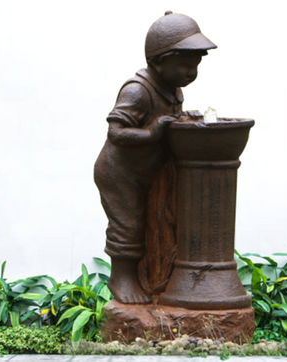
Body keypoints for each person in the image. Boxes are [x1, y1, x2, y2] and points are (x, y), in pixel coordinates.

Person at [94, 12, 216, 304]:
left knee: (155, 224)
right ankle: (121, 278)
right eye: (185, 64)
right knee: (129, 224)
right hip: (120, 172)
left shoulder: (172, 89)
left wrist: (183, 119)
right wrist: (150, 133)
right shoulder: (137, 90)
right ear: (159, 60)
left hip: (146, 171)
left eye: (196, 64)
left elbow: (167, 120)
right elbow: (116, 133)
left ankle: (151, 278)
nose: (191, 72)